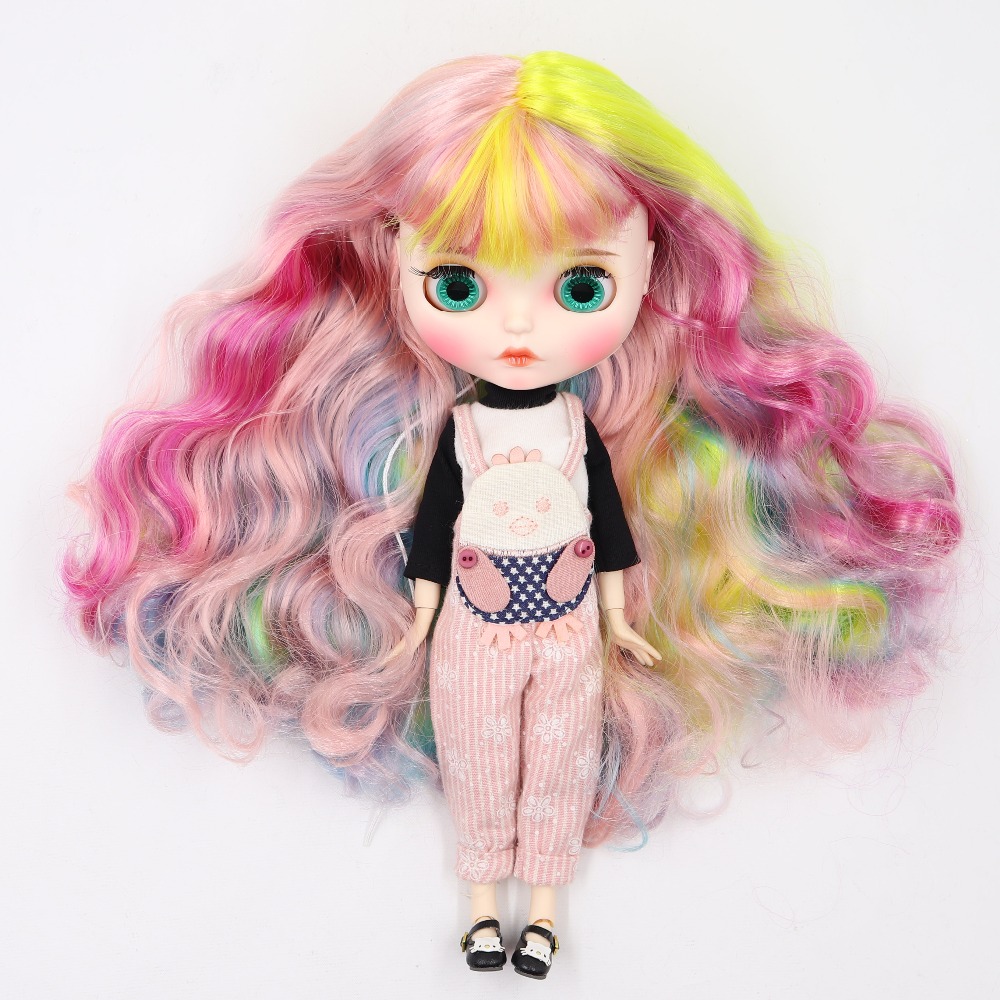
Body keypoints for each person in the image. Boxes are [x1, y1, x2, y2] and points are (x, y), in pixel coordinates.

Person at [62, 52, 961, 980]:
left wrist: (618, 616)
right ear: (390, 258)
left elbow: (608, 525)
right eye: (459, 285)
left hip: (569, 629)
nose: (520, 330)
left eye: (580, 287)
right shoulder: (461, 430)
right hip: (470, 628)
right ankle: (486, 912)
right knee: (481, 762)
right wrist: (418, 613)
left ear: (651, 264)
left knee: (560, 762)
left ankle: (542, 917)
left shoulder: (580, 432)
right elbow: (435, 525)